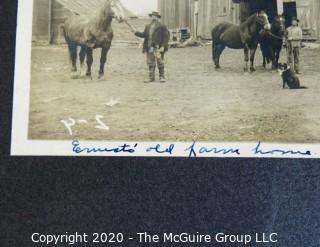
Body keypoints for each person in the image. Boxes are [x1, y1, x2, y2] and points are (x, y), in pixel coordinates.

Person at [131, 11, 170, 83]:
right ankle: (151, 78)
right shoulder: (148, 26)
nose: (153, 17)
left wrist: (163, 46)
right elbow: (144, 35)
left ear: (158, 17)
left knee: (160, 62)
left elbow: (166, 37)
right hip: (149, 47)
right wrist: (135, 32)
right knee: (150, 63)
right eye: (152, 16)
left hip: (158, 47)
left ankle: (162, 77)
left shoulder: (162, 26)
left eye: (155, 16)